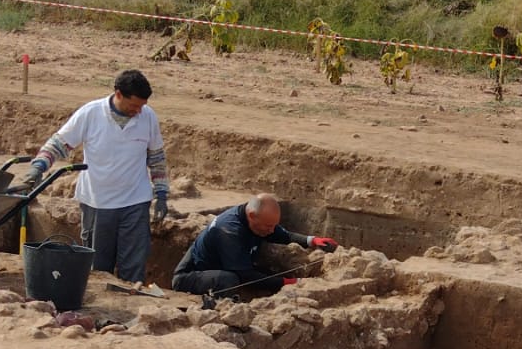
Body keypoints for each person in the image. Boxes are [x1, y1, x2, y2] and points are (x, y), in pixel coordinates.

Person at [22, 69, 169, 287]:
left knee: (134, 266)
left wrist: (162, 192)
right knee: (99, 268)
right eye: (133, 106)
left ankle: (134, 307)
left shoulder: (148, 117)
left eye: (141, 106)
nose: (138, 111)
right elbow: (59, 144)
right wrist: (38, 167)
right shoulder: (90, 114)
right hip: (98, 203)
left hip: (135, 202)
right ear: (119, 94)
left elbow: (156, 157)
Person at [171, 193, 336, 301]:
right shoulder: (229, 230)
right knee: (230, 280)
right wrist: (288, 281)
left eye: (273, 225)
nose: (271, 230)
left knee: (262, 268)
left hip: (217, 267)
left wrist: (312, 240)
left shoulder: (254, 220)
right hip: (190, 277)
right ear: (252, 216)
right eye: (268, 226)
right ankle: (220, 309)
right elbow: (245, 275)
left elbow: (280, 234)